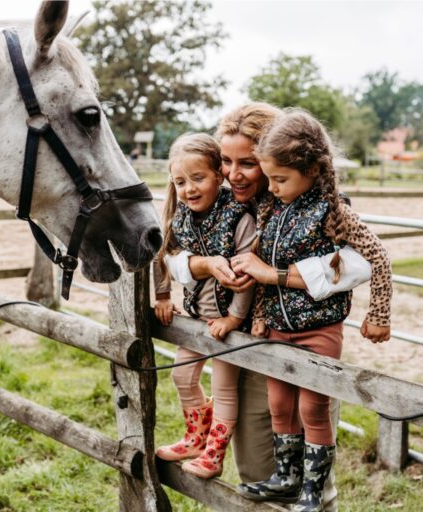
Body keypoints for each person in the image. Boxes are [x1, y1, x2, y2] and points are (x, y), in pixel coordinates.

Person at [158, 103, 372, 512]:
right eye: (226, 161)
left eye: (248, 163)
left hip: (294, 345)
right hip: (237, 349)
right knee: (256, 472)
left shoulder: (317, 206)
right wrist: (202, 265)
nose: (234, 174)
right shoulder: (216, 203)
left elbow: (355, 266)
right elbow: (171, 255)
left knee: (308, 480)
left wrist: (273, 274)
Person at [230, 109, 392, 511]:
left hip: (317, 330)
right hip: (278, 329)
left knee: (312, 408)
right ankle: (286, 477)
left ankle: (313, 489)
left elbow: (378, 255)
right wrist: (263, 314)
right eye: (270, 179)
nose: (273, 187)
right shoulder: (276, 207)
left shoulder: (331, 209)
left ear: (314, 169)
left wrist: (379, 314)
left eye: (279, 179)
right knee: (280, 405)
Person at [154, 132, 256, 479]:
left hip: (229, 322)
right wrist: (164, 295)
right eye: (180, 181)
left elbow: (245, 273)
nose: (189, 189)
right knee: (182, 376)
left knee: (224, 388)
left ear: (218, 174)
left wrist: (233, 317)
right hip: (197, 317)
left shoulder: (239, 217)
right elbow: (163, 253)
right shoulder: (181, 215)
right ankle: (196, 437)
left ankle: (214, 454)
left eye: (198, 178)